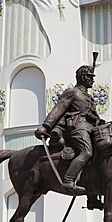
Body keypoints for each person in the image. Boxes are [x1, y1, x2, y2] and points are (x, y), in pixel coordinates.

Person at [35, 64, 104, 197]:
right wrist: (46, 126)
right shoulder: (73, 92)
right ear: (83, 77)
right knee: (87, 152)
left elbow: (94, 116)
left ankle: (92, 196)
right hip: (76, 128)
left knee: (101, 154)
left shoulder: (88, 97)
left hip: (90, 129)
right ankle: (69, 181)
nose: (92, 80)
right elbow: (59, 109)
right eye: (90, 77)